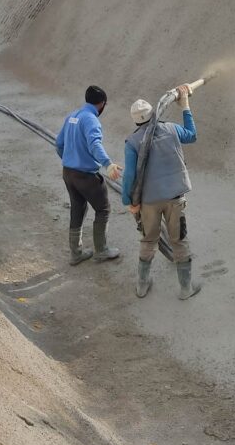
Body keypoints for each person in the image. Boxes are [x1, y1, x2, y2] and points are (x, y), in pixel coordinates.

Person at [121, 84, 200, 299]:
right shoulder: (171, 129)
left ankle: (142, 285)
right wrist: (185, 106)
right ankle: (186, 289)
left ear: (135, 120)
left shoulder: (132, 142)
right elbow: (192, 135)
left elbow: (129, 176)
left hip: (148, 202)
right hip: (175, 198)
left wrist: (129, 201)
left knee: (148, 241)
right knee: (179, 239)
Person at [55, 85, 122, 265]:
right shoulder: (91, 119)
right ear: (102, 104)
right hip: (86, 176)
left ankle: (76, 253)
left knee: (77, 209)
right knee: (103, 209)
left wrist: (70, 160)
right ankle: (102, 250)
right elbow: (94, 144)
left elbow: (58, 143)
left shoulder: (72, 117)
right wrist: (108, 164)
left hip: (68, 174)